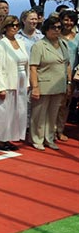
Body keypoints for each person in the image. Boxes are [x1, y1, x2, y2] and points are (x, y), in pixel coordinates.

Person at [29, 16, 72, 151]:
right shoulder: (39, 45)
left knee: (53, 114)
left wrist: (68, 82)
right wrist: (35, 87)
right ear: (46, 29)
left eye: (59, 27)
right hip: (44, 84)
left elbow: (67, 64)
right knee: (39, 114)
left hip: (58, 84)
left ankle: (49, 138)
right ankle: (37, 138)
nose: (57, 30)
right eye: (54, 27)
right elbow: (33, 67)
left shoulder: (63, 43)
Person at [0, 16, 29, 150]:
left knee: (17, 111)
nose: (14, 27)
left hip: (21, 80)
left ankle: (10, 137)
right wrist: (1, 86)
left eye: (17, 25)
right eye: (12, 25)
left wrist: (28, 82)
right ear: (5, 27)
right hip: (8, 81)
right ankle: (0, 139)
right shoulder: (0, 45)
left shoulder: (21, 43)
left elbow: (26, 64)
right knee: (4, 112)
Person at [56, 9, 78, 140]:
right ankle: (50, 130)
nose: (68, 23)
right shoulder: (55, 35)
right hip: (54, 75)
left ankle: (60, 129)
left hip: (71, 76)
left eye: (71, 20)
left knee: (65, 104)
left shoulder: (78, 38)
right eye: (66, 19)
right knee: (54, 104)